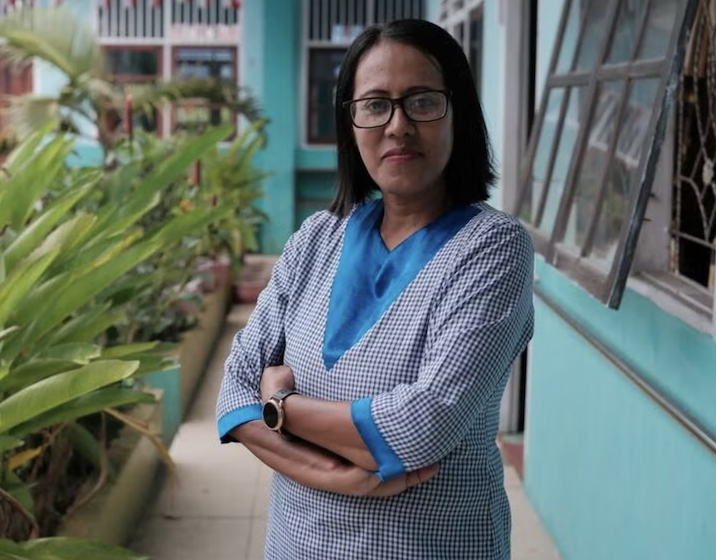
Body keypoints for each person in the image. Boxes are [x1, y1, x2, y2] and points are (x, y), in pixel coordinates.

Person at [214, 19, 535, 560]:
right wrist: (344, 477)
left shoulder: (493, 248)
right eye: (375, 104)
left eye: (422, 102)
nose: (398, 125)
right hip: (299, 545)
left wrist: (281, 406)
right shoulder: (318, 237)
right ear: (351, 122)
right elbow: (233, 391)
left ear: (459, 112)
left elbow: (423, 424)